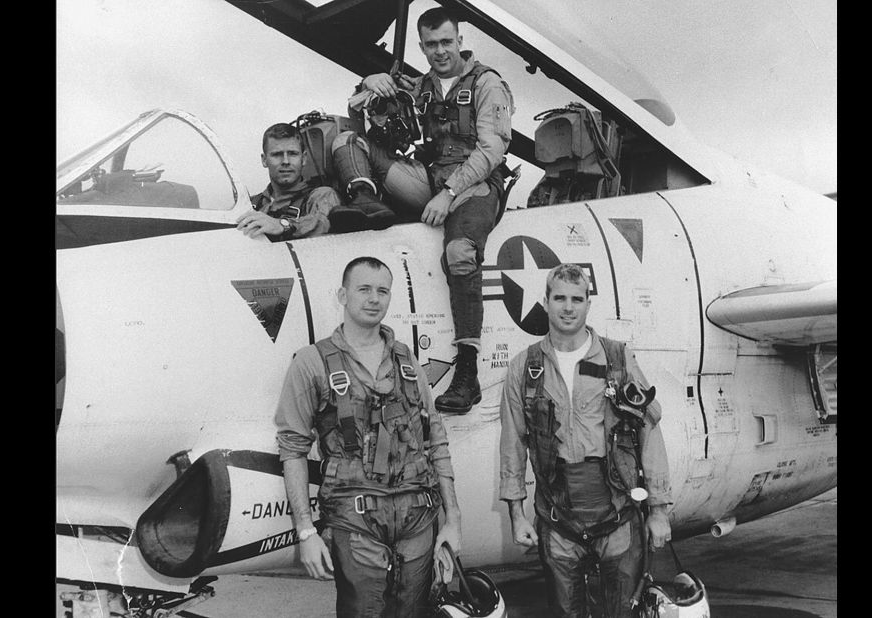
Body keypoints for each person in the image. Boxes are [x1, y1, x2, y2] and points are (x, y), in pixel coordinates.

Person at [328, 7, 516, 415]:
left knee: (459, 252)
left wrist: (448, 193)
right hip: (429, 179)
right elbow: (363, 108)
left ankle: (468, 373)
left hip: (475, 186)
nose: (439, 51)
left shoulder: (488, 85)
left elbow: (493, 150)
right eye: (431, 45)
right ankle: (366, 202)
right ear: (421, 46)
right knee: (346, 141)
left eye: (446, 42)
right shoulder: (422, 86)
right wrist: (369, 82)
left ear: (460, 40)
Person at [275, 256, 463, 617]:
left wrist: (453, 519)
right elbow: (292, 450)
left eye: (382, 291)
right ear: (342, 295)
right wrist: (304, 532)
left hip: (418, 518)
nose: (374, 299)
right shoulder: (312, 363)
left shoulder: (407, 361)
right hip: (355, 521)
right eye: (364, 289)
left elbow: (435, 439)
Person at [498, 263, 673, 617]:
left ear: (588, 304)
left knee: (624, 611)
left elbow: (649, 433)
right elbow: (513, 442)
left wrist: (658, 510)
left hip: (617, 511)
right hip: (557, 515)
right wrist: (516, 513)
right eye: (559, 298)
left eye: (577, 299)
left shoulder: (618, 359)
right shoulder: (524, 367)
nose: (567, 307)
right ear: (545, 302)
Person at [236, 122, 340, 240]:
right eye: (277, 154)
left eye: (292, 154)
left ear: (304, 158)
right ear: (264, 160)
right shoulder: (250, 205)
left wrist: (282, 225)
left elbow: (323, 222)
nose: (286, 161)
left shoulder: (320, 196)